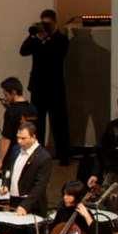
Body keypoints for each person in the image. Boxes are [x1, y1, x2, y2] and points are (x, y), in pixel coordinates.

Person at [19, 8, 70, 159]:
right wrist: (33, 35)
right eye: (43, 24)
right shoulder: (36, 39)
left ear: (55, 23)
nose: (45, 27)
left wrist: (46, 38)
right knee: (37, 124)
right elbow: (23, 51)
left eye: (48, 24)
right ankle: (37, 154)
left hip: (55, 88)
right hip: (38, 88)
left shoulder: (61, 39)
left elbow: (56, 55)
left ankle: (63, 156)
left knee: (59, 123)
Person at [0, 121, 54, 214]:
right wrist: (5, 184)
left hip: (32, 205)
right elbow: (8, 169)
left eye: (23, 138)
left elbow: (40, 185)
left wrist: (25, 205)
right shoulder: (15, 149)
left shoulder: (44, 157)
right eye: (18, 137)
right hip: (14, 200)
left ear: (33, 137)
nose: (19, 141)